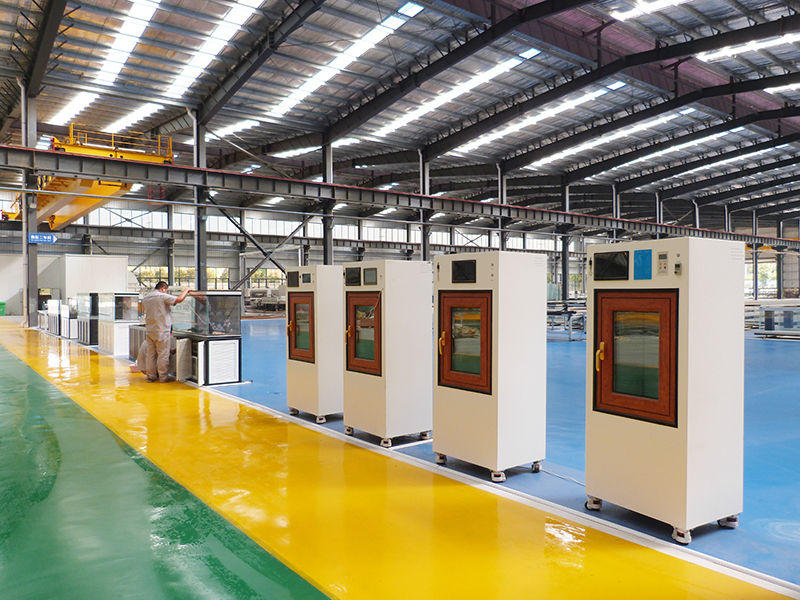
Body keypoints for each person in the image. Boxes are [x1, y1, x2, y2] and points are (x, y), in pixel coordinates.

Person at [142, 282, 191, 382]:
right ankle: (163, 377)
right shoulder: (162, 296)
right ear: (163, 289)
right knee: (163, 354)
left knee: (151, 354)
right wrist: (187, 290)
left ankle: (151, 376)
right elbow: (179, 299)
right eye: (166, 291)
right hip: (162, 330)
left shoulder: (146, 298)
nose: (166, 293)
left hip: (150, 330)